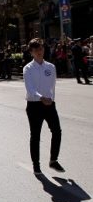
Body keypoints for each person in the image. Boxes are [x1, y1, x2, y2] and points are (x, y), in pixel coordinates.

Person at [23, 38, 64, 176]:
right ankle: (36, 165)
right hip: (34, 105)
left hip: (49, 104)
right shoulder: (28, 68)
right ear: (31, 52)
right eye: (36, 50)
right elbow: (30, 89)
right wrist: (41, 97)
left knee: (57, 131)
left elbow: (52, 86)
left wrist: (50, 99)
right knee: (35, 135)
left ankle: (53, 160)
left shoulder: (51, 67)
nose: (39, 51)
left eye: (41, 48)